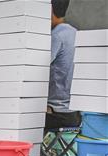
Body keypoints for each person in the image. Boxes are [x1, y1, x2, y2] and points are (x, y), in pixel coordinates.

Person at [46, 0, 79, 130]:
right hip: (75, 113)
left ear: (50, 11)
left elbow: (36, 70)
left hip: (57, 113)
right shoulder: (75, 33)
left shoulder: (56, 36)